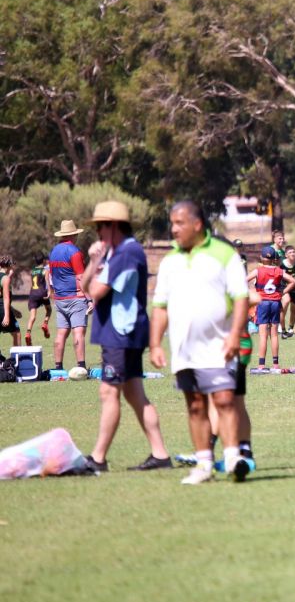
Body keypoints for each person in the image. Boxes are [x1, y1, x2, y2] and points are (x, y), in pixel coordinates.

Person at [151, 201, 252, 484]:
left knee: (224, 400)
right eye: (172, 223)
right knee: (195, 405)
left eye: (179, 223)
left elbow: (241, 298)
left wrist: (234, 334)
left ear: (197, 224)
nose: (174, 229)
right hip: (184, 348)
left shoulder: (224, 253)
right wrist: (156, 343)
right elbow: (160, 305)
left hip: (219, 345)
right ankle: (203, 464)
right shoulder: (169, 261)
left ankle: (232, 458)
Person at [75, 201, 171, 473]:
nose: (98, 233)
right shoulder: (113, 253)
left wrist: (97, 263)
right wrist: (94, 260)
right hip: (120, 333)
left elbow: (96, 291)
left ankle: (98, 458)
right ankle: (160, 455)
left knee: (108, 392)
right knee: (135, 394)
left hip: (122, 333)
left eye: (100, 227)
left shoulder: (126, 254)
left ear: (114, 226)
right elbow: (83, 285)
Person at [48, 219, 89, 371]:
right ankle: (81, 367)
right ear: (73, 235)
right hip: (76, 298)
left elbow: (51, 275)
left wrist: (54, 292)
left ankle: (58, 368)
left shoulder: (53, 252)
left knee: (61, 334)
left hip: (59, 298)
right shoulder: (75, 252)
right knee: (78, 332)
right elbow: (81, 277)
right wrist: (90, 299)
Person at [247, 246, 295, 368]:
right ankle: (275, 364)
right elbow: (293, 281)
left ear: (261, 258)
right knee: (274, 334)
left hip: (262, 303)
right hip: (275, 303)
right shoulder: (279, 271)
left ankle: (261, 365)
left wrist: (251, 293)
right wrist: (282, 292)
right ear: (274, 258)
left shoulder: (258, 270)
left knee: (263, 335)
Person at [24, 252, 50, 346]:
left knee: (33, 316)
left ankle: (28, 332)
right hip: (42, 293)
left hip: (33, 294)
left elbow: (32, 284)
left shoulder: (32, 271)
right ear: (43, 261)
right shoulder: (45, 270)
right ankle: (45, 323)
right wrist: (50, 292)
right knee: (49, 310)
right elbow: (47, 281)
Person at [279, 245, 295, 337]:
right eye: (290, 252)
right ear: (286, 255)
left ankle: (290, 328)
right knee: (286, 301)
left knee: (294, 309)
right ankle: (281, 326)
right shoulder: (282, 264)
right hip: (284, 287)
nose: (292, 254)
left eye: (293, 252)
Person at [0, 256, 19, 352]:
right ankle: (16, 358)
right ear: (10, 265)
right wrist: (7, 315)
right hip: (2, 310)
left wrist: (14, 311)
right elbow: (6, 298)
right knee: (16, 332)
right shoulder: (5, 278)